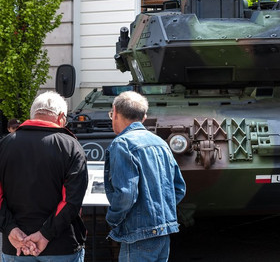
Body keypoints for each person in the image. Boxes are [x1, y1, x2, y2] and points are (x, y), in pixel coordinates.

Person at [0, 91, 87, 260]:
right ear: (61, 117)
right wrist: (45, 234)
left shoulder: (4, 144)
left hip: (16, 247)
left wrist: (10, 228)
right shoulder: (71, 146)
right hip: (60, 247)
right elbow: (72, 200)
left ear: (33, 114)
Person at [105, 91, 186, 261]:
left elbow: (126, 194)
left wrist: (112, 219)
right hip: (164, 232)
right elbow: (179, 188)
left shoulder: (122, 144)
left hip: (137, 234)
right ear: (144, 117)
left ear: (115, 112)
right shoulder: (161, 143)